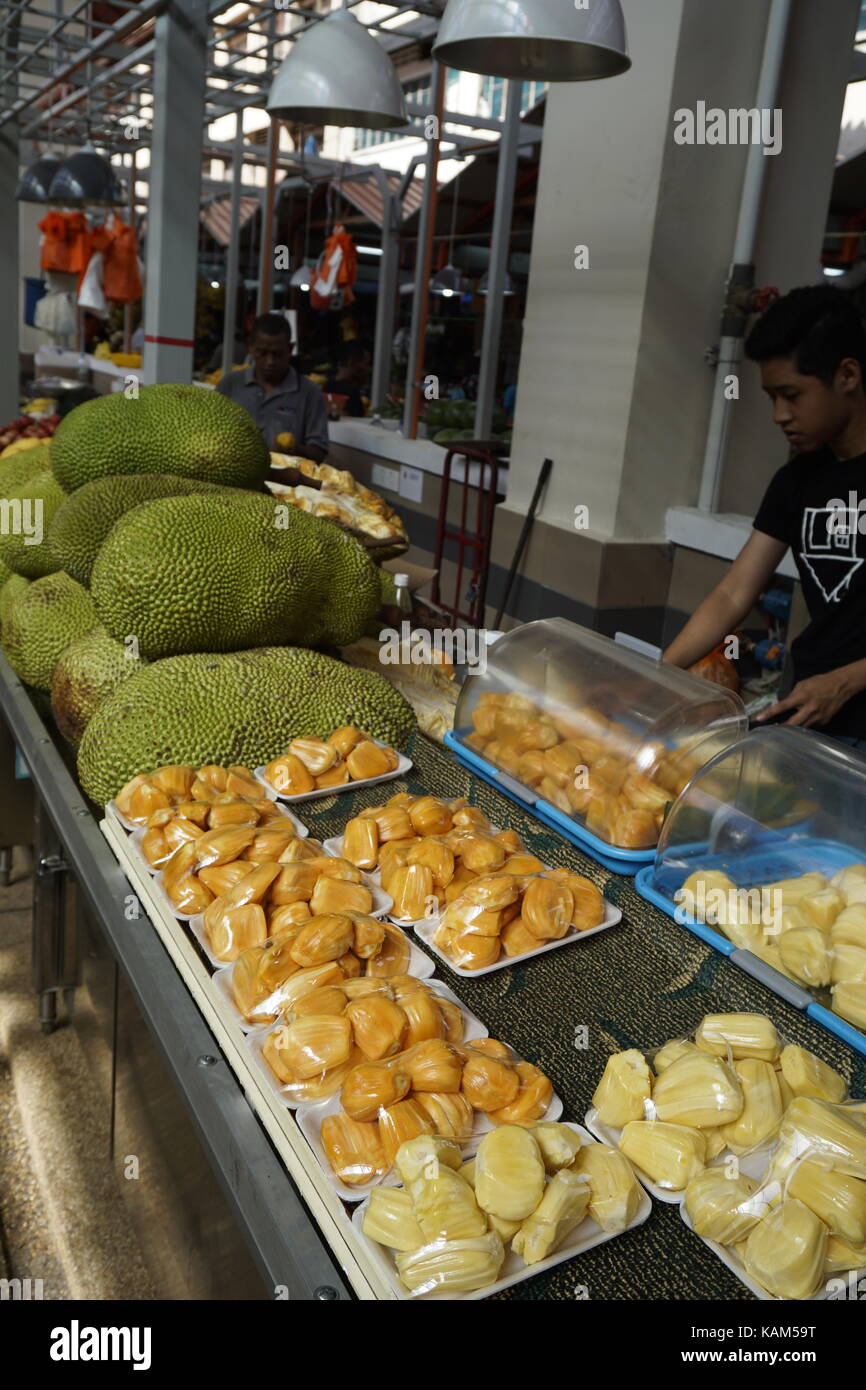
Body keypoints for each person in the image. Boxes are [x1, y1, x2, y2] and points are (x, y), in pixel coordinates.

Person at [664, 285, 866, 748]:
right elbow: (734, 593)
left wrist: (848, 680)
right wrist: (661, 674)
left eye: (792, 395)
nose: (779, 415)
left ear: (847, 375)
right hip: (811, 716)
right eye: (772, 397)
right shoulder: (797, 480)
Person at [216, 312, 329, 462]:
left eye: (277, 354)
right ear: (251, 347)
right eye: (262, 353)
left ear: (290, 349)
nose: (270, 361)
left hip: (286, 482)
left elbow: (319, 452)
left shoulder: (309, 392)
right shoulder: (229, 384)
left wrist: (296, 449)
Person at [325, 340, 371, 418]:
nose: (367, 369)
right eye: (365, 363)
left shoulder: (327, 386)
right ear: (351, 361)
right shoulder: (351, 389)